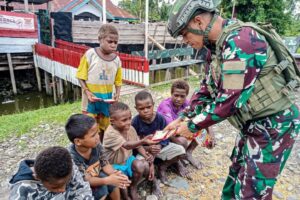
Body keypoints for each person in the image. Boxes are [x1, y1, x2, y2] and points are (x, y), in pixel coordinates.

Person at [166, 0, 300, 199]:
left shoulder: (241, 41)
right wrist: (183, 117)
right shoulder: (217, 48)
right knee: (234, 181)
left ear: (198, 22)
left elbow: (230, 100)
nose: (185, 40)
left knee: (252, 193)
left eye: (185, 33)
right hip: (252, 125)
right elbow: (206, 90)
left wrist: (192, 126)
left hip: (274, 126)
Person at [103, 102, 161, 200]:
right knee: (121, 179)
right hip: (113, 164)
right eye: (124, 120)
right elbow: (126, 146)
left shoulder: (130, 129)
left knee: (141, 165)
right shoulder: (110, 133)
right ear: (112, 121)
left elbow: (137, 146)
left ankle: (133, 187)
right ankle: (126, 196)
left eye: (130, 118)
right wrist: (143, 141)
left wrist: (147, 157)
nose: (128, 122)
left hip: (128, 159)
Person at [65, 114, 131, 200]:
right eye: (93, 135)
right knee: (101, 191)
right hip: (82, 185)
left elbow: (105, 164)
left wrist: (115, 174)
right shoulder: (72, 157)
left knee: (114, 181)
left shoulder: (96, 145)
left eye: (97, 132)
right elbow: (86, 180)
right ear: (78, 141)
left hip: (97, 174)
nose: (98, 136)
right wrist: (107, 180)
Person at [76, 24, 122, 140]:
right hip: (90, 100)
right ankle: (92, 151)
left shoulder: (117, 60)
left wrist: (117, 94)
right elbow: (81, 76)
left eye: (115, 42)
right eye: (109, 41)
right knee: (90, 127)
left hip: (106, 100)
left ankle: (102, 150)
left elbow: (118, 80)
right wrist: (87, 91)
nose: (113, 45)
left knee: (105, 128)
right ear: (100, 39)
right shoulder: (90, 54)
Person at [132, 90, 189, 184]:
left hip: (159, 148)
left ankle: (162, 167)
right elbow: (135, 144)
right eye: (141, 109)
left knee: (181, 150)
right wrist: (148, 148)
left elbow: (166, 137)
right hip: (144, 151)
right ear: (136, 108)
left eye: (148, 107)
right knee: (141, 165)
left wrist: (160, 146)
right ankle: (153, 179)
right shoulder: (135, 122)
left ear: (153, 105)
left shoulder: (160, 118)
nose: (145, 111)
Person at [158, 79, 208, 169]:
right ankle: (178, 161)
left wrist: (210, 134)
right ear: (171, 93)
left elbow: (203, 116)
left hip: (178, 130)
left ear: (186, 96)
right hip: (166, 133)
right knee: (182, 141)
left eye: (182, 96)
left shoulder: (187, 103)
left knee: (203, 130)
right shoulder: (165, 106)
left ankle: (188, 153)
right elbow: (169, 128)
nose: (178, 99)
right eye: (176, 95)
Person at [9, 146, 93, 200]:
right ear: (37, 177)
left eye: (66, 183)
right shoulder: (21, 192)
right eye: (55, 187)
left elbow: (84, 190)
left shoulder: (68, 166)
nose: (63, 189)